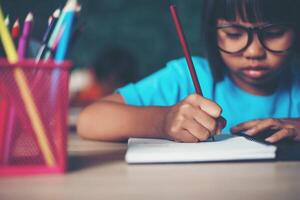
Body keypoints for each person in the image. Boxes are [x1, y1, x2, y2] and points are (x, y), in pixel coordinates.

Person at [77, 0, 300, 143]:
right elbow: (89, 119)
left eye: (273, 33)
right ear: (212, 33)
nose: (254, 51)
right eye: (233, 34)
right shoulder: (183, 77)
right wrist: (163, 122)